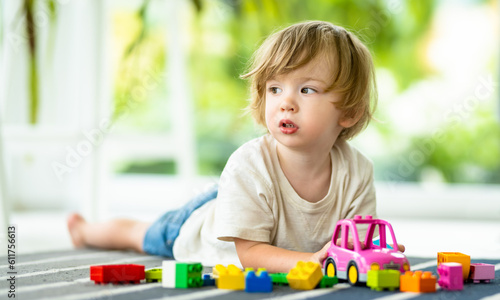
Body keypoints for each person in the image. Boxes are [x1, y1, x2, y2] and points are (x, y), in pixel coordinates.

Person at [68, 21, 402, 273]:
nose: (285, 102)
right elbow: (251, 253)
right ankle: (85, 231)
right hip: (202, 226)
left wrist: (375, 254)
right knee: (141, 235)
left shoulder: (357, 171)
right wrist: (309, 261)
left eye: (307, 90)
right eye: (274, 89)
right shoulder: (249, 164)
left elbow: (358, 239)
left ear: (349, 112)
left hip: (244, 200)